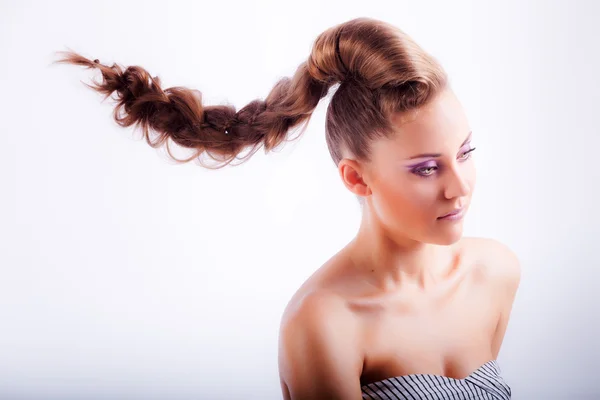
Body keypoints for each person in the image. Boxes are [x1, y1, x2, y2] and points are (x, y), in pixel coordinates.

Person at [53, 16, 520, 400]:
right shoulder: (325, 324)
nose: (459, 188)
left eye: (465, 153)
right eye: (425, 169)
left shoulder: (495, 272)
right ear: (357, 178)